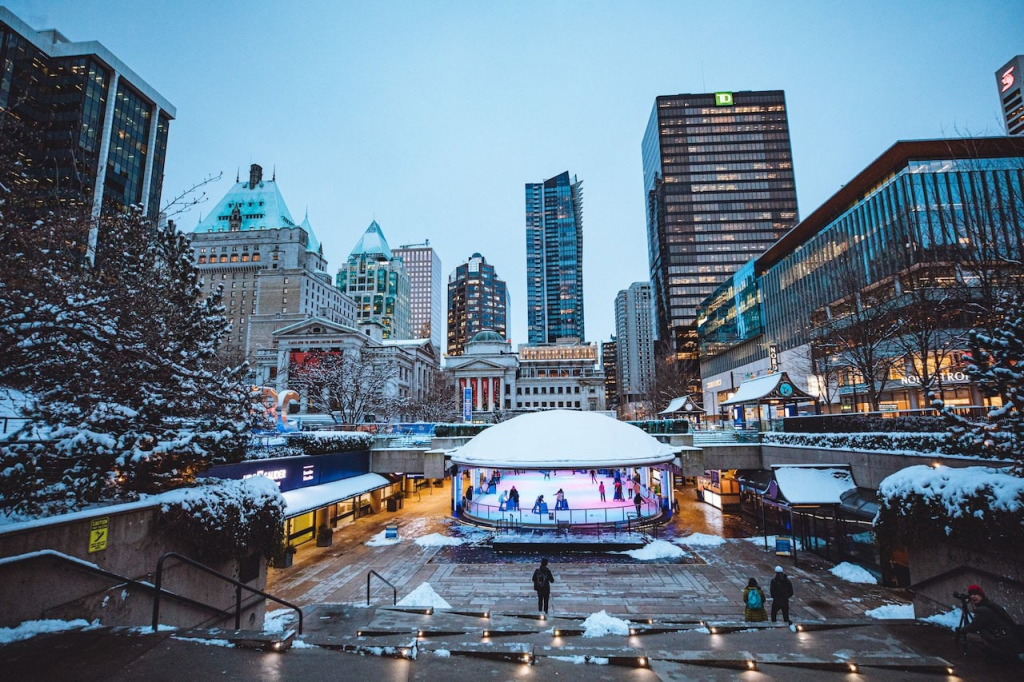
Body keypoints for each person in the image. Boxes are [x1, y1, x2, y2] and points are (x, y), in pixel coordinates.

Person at [958, 584, 1024, 661]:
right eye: (971, 595)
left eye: (975, 594)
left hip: (1003, 640)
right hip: (1008, 638)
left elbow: (974, 626)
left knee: (970, 635)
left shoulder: (983, 610)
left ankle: (997, 655)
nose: (973, 596)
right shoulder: (990, 604)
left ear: (981, 595)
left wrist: (960, 630)